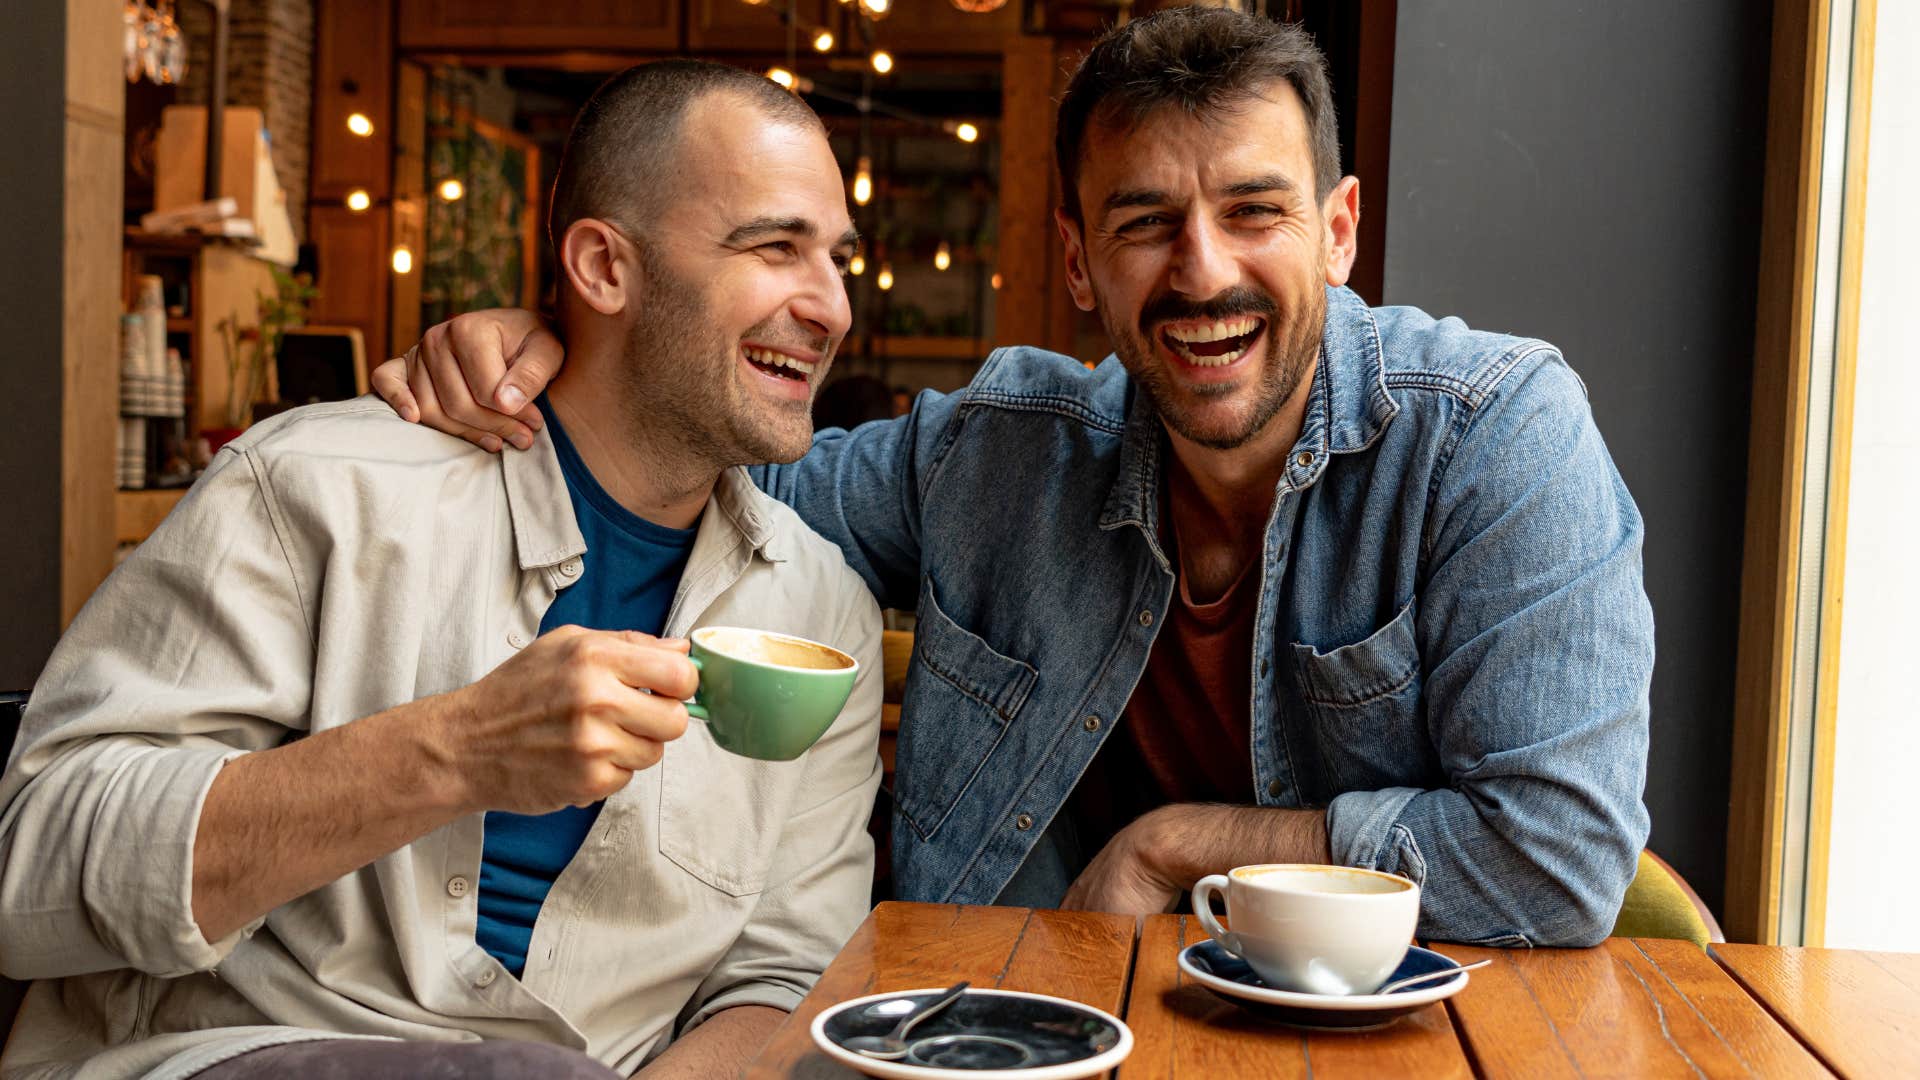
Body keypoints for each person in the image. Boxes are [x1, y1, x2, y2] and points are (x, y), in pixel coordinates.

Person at [378, 8, 1655, 948]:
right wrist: (560, 348)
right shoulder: (993, 454)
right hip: (1021, 1031)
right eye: (1145, 220)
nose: (1201, 271)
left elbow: (1558, 858)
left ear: (1338, 231)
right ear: (1079, 258)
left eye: (1256, 212)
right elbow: (701, 476)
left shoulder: (1494, 436)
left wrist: (1172, 849)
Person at [0, 60, 880, 1079]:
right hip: (238, 1049)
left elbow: (781, 981)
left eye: (839, 260)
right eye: (775, 248)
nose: (832, 308)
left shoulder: (823, 612)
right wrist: (454, 751)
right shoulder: (318, 488)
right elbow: (32, 873)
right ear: (602, 268)